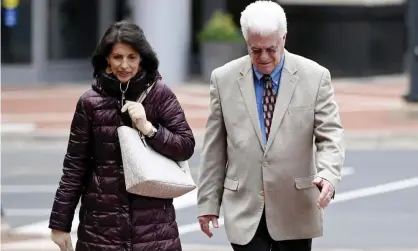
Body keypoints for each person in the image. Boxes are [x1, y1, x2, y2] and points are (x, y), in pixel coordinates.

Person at [197, 1, 345, 251]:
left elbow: (331, 136)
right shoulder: (223, 79)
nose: (264, 57)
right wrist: (208, 204)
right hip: (244, 209)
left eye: (271, 49)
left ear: (284, 38)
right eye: (255, 50)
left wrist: (328, 175)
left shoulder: (315, 76)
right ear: (246, 43)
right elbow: (214, 148)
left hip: (295, 207)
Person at [49, 20, 195, 251]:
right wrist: (60, 224)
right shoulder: (90, 103)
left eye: (132, 57)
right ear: (106, 59)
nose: (124, 65)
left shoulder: (160, 95)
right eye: (117, 57)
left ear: (142, 59)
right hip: (101, 229)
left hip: (154, 230)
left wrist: (148, 129)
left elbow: (185, 146)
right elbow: (75, 166)